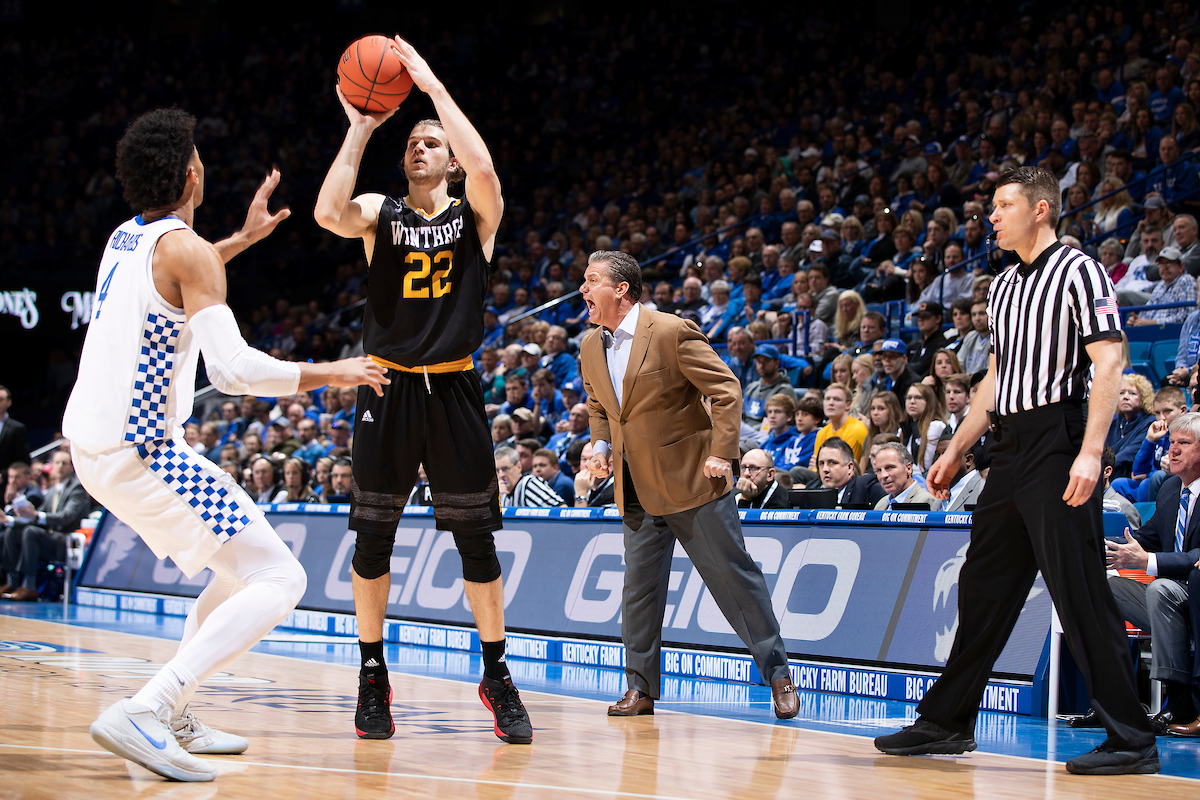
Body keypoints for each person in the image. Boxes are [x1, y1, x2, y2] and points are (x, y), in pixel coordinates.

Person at [59, 108, 387, 782]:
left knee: (238, 571)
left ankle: (175, 714)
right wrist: (334, 371)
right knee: (282, 578)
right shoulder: (187, 251)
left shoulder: (127, 237)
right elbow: (233, 372)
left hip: (92, 446)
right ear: (191, 174)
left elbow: (177, 277)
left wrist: (238, 240)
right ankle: (148, 709)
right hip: (142, 449)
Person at [874, 166, 1157, 775]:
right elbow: (997, 379)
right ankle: (947, 722)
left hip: (1060, 441)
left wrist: (1091, 451)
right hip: (1008, 446)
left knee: (1078, 589)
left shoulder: (1079, 270)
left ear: (1041, 209)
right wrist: (957, 449)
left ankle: (1132, 738)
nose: (993, 216)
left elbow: (1110, 362)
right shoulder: (1002, 287)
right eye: (993, 207)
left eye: (1004, 205)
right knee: (983, 586)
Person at [313, 38, 531, 744]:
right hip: (388, 386)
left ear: (450, 159)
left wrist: (434, 88)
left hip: (455, 387)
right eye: (412, 142)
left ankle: (496, 674)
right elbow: (326, 211)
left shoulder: (475, 214)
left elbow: (486, 167)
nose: (419, 147)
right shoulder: (379, 212)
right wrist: (360, 128)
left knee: (476, 541)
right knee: (373, 539)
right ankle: (371, 674)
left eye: (431, 142)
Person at [578, 250, 800, 720]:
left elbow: (726, 389)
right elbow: (599, 406)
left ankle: (778, 674)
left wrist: (721, 452)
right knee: (638, 594)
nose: (583, 289)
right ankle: (640, 688)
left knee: (734, 580)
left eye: (592, 280)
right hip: (636, 489)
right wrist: (600, 447)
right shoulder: (589, 345)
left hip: (693, 482)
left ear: (621, 289)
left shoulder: (670, 331)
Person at [1106, 413, 1200, 736]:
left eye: (1184, 443)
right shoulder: (1171, 489)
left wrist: (1147, 561)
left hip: (1194, 593)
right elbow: (1145, 538)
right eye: (1171, 442)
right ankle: (1114, 696)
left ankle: (1179, 701)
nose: (1173, 450)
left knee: (1160, 588)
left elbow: (1197, 557)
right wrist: (1102, 550)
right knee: (1106, 585)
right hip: (1168, 599)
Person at [1, 449, 90, 601]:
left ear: (71, 467)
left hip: (67, 540)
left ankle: (30, 586)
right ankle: (12, 581)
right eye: (57, 463)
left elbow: (66, 516)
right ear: (52, 466)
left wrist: (36, 515)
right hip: (50, 538)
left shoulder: (77, 488)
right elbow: (35, 517)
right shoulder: (51, 491)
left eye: (64, 463)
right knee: (12, 532)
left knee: (31, 532)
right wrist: (9, 520)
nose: (60, 466)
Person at [810, 382, 868, 467]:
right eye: (827, 399)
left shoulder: (856, 429)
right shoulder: (822, 432)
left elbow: (847, 467)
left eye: (837, 399)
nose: (831, 403)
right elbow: (814, 466)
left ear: (848, 405)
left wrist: (821, 465)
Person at [816, 437, 886, 507]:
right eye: (821, 463)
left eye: (832, 463)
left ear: (849, 467)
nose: (825, 469)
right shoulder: (813, 490)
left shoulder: (867, 488)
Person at [872, 443, 936, 510]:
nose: (883, 475)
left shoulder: (925, 501)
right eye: (879, 470)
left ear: (908, 468)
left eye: (889, 467)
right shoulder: (881, 504)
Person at [495, 447, 564, 507]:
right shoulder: (501, 493)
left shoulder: (529, 484)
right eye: (497, 470)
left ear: (519, 467)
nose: (501, 475)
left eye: (505, 469)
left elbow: (562, 509)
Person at [930, 436, 985, 512]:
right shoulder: (940, 497)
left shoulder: (983, 491)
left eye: (947, 456)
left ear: (968, 460)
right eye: (937, 456)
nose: (940, 462)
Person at [0, 385, 30, 498]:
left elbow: (23, 460)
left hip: (6, 486)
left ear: (9, 402)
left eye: (1, 399)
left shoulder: (17, 428)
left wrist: (3, 475)